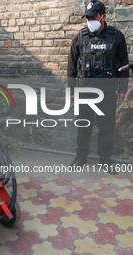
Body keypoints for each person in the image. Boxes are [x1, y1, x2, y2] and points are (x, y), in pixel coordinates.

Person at [67, 0, 129, 173]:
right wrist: (72, 90)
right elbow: (71, 65)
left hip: (107, 91)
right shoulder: (80, 37)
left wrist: (122, 89)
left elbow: (124, 64)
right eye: (87, 17)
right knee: (83, 126)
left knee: (107, 127)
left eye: (92, 17)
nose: (89, 20)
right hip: (85, 90)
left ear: (103, 17)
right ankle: (81, 157)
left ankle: (105, 159)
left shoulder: (116, 36)